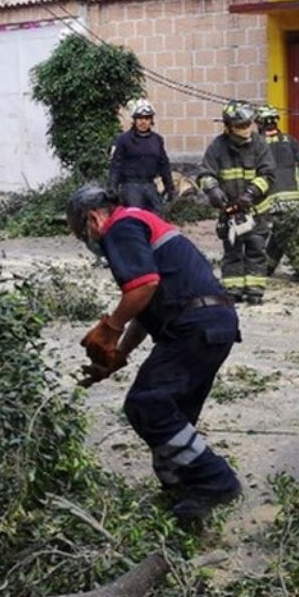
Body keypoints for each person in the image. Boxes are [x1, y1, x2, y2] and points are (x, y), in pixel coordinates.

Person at [67, 184, 243, 522]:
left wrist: (110, 327)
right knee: (172, 415)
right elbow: (147, 306)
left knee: (145, 404)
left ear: (91, 219)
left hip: (194, 324)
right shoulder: (138, 222)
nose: (89, 244)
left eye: (83, 235)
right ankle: (185, 496)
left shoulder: (119, 227)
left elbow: (142, 286)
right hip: (210, 322)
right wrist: (117, 355)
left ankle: (215, 481)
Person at [194, 100, 275, 304]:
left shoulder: (259, 145)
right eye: (240, 126)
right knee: (232, 251)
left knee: (256, 249)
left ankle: (255, 291)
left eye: (248, 124)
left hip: (255, 210)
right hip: (229, 211)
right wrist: (212, 189)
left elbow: (268, 175)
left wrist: (251, 193)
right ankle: (233, 290)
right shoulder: (218, 147)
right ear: (229, 127)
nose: (246, 129)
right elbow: (204, 173)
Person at [253, 105, 299, 277]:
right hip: (295, 199)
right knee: (286, 233)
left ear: (259, 124)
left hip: (272, 200)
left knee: (282, 233)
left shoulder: (256, 145)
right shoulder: (291, 141)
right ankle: (282, 268)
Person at [108, 99, 174, 213]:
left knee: (157, 218)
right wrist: (112, 186)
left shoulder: (157, 140)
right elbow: (116, 165)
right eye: (140, 118)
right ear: (134, 120)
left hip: (150, 186)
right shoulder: (124, 140)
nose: (143, 122)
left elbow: (164, 165)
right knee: (136, 217)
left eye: (147, 118)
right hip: (131, 187)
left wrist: (169, 187)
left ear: (151, 120)